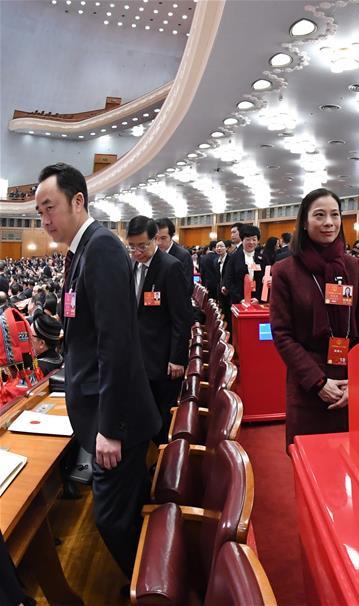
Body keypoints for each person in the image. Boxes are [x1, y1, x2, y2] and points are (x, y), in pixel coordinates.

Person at [35, 163, 159, 576]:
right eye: (39, 213)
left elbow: (116, 345)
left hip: (117, 424)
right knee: (126, 513)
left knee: (111, 520)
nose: (45, 220)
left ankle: (154, 589)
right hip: (104, 414)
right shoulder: (81, 252)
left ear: (78, 201)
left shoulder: (101, 248)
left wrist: (110, 428)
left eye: (50, 207)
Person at [269, 188, 359, 446]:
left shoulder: (353, 267)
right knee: (310, 469)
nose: (329, 222)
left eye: (335, 215)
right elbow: (282, 335)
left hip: (351, 383)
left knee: (352, 467)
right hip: (309, 384)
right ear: (304, 223)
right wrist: (319, 382)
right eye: (319, 215)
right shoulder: (286, 270)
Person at [126, 215, 191, 444]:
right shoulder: (132, 263)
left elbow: (182, 318)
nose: (137, 251)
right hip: (138, 355)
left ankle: (163, 464)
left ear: (155, 239)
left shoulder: (170, 267)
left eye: (142, 245)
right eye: (132, 246)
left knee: (161, 416)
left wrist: (177, 358)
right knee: (143, 413)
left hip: (162, 358)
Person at [223, 224, 267, 304]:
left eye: (254, 240)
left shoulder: (262, 258)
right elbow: (229, 280)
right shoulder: (234, 258)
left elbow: (266, 280)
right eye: (248, 239)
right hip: (238, 301)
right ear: (242, 240)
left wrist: (258, 298)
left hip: (257, 301)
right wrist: (240, 299)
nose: (251, 242)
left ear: (258, 241)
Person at [155, 217, 194, 292]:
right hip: (154, 301)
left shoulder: (183, 255)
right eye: (155, 238)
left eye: (163, 238)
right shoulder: (153, 254)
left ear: (171, 236)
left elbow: (187, 287)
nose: (158, 242)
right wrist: (149, 302)